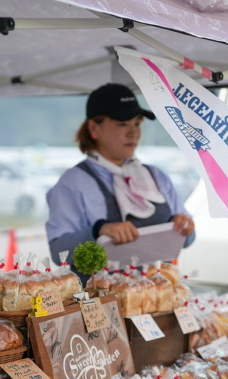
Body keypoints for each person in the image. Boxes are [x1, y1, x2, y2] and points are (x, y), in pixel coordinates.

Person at [46, 83, 195, 281]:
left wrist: (184, 226)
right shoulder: (74, 182)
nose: (133, 132)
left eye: (137, 123)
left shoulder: (155, 176)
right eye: (122, 124)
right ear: (94, 128)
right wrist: (98, 231)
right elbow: (58, 251)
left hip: (155, 298)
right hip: (100, 304)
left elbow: (188, 240)